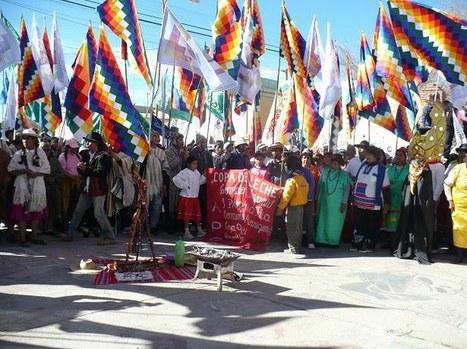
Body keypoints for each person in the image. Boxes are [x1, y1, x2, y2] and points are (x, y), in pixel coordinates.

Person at [65, 132, 115, 244]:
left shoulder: (104, 156)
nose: (87, 143)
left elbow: (101, 172)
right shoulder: (87, 154)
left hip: (98, 189)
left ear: (96, 143)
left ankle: (109, 236)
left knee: (99, 213)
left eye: (89, 141)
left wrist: (85, 169)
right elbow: (83, 170)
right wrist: (80, 168)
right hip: (87, 188)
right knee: (78, 211)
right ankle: (70, 234)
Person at [8, 129, 50, 246]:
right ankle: (22, 238)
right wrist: (24, 171)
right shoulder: (18, 154)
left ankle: (34, 236)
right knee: (21, 211)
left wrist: (35, 174)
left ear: (34, 140)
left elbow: (47, 170)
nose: (25, 141)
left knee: (36, 211)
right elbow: (10, 171)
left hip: (37, 185)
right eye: (24, 138)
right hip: (22, 186)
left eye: (28, 138)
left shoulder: (41, 153)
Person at [351, 146, 390, 252]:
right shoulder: (363, 165)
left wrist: (386, 203)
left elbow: (386, 188)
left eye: (370, 155)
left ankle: (370, 245)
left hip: (373, 204)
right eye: (367, 154)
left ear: (376, 157)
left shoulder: (382, 170)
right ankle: (357, 244)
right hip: (359, 202)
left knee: (372, 225)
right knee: (359, 223)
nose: (367, 156)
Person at [315, 154, 352, 246]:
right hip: (324, 202)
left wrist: (344, 202)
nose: (335, 164)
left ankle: (333, 241)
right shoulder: (325, 172)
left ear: (340, 164)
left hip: (338, 204)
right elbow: (319, 186)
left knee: (335, 223)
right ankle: (321, 240)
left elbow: (347, 189)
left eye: (337, 162)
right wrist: (316, 198)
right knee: (322, 221)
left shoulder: (344, 175)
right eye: (333, 162)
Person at [277, 156, 309, 254]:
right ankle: (297, 246)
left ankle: (293, 248)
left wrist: (280, 208)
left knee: (292, 227)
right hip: (301, 206)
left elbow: (286, 196)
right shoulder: (302, 179)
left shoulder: (291, 180)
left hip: (293, 207)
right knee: (298, 227)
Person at [141, 131, 170, 234]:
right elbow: (139, 166)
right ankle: (142, 226)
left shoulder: (162, 153)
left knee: (157, 206)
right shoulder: (144, 150)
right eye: (154, 136)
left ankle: (153, 227)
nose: (156, 138)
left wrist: (164, 184)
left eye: (158, 136)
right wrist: (145, 156)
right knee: (144, 205)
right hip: (146, 182)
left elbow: (166, 169)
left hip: (158, 182)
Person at [172, 156, 207, 240]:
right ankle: (186, 231)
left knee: (197, 215)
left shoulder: (197, 172)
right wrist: (185, 186)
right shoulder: (184, 172)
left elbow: (199, 182)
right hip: (187, 197)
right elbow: (175, 179)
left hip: (195, 197)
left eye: (196, 164)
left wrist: (204, 176)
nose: (196, 165)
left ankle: (199, 229)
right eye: (194, 164)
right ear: (188, 164)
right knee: (187, 216)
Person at [444, 144, 467, 263]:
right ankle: (459, 255)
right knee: (459, 230)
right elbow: (447, 184)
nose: (465, 154)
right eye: (463, 152)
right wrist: (450, 200)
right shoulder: (457, 168)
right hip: (459, 207)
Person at [386, 148, 409, 250]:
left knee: (401, 221)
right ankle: (391, 242)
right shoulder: (389, 169)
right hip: (391, 198)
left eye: (400, 155)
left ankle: (400, 243)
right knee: (391, 221)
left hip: (403, 199)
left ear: (405, 157)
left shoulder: (410, 169)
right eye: (396, 154)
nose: (398, 157)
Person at [189, 134, 213, 229]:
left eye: (205, 142)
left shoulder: (207, 154)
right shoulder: (192, 153)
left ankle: (204, 222)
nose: (204, 144)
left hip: (205, 181)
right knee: (195, 202)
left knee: (204, 202)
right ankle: (194, 223)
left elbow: (211, 166)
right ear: (199, 143)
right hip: (195, 179)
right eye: (203, 142)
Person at [41, 140, 64, 235]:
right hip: (40, 185)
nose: (46, 151)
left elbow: (61, 173)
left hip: (53, 186)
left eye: (48, 149)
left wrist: (54, 178)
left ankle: (49, 225)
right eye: (44, 149)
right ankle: (39, 226)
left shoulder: (54, 160)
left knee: (54, 205)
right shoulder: (36, 159)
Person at [58, 139, 81, 231]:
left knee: (74, 203)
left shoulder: (78, 156)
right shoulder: (63, 156)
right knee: (65, 204)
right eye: (72, 147)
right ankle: (63, 224)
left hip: (76, 184)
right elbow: (62, 170)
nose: (74, 149)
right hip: (66, 184)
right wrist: (72, 176)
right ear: (67, 147)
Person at [165, 133, 187, 230]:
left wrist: (185, 157)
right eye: (180, 140)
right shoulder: (168, 151)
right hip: (172, 181)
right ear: (174, 140)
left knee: (180, 203)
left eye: (182, 140)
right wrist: (180, 156)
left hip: (181, 180)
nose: (181, 142)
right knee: (172, 204)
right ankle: (170, 226)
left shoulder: (181, 151)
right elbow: (171, 165)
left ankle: (178, 225)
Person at [301, 150, 317, 248]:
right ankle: (301, 240)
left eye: (308, 158)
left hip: (310, 199)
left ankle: (310, 241)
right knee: (300, 221)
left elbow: (314, 185)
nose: (306, 159)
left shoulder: (314, 170)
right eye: (304, 157)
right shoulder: (298, 170)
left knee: (309, 221)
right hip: (299, 200)